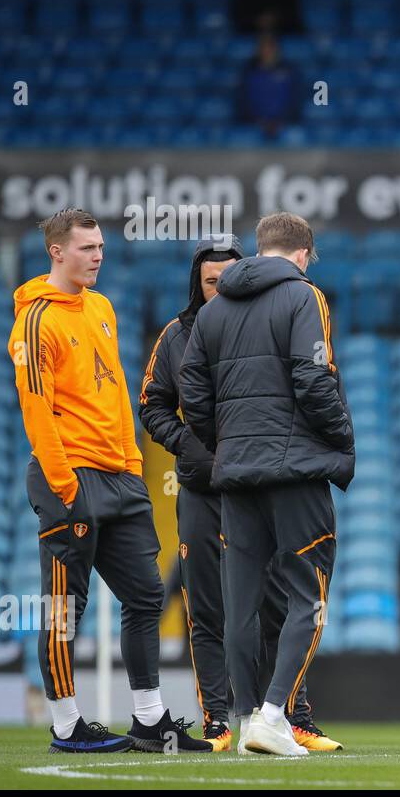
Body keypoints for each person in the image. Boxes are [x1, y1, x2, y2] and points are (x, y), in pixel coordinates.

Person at [9, 208, 210, 754]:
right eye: (86, 248)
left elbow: (118, 388)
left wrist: (131, 464)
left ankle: (149, 719)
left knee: (146, 596)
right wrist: (66, 485)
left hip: (119, 478)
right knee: (65, 607)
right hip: (69, 477)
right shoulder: (35, 320)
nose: (98, 256)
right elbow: (37, 411)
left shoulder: (100, 307)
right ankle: (66, 724)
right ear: (57, 252)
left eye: (100, 246)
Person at [138, 235, 342, 753]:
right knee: (208, 606)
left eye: (226, 279)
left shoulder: (254, 321)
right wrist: (194, 446)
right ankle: (219, 720)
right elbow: (153, 405)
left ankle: (292, 715)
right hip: (205, 487)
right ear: (197, 283)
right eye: (210, 282)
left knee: (274, 602)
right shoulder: (176, 337)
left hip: (249, 479)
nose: (219, 288)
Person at [238, 34, 299, 139]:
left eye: (270, 48)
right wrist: (257, 121)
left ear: (277, 50)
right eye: (264, 49)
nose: (267, 52)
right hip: (254, 126)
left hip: (284, 126)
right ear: (258, 51)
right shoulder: (248, 72)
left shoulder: (289, 71)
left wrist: (282, 121)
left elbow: (295, 99)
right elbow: (243, 100)